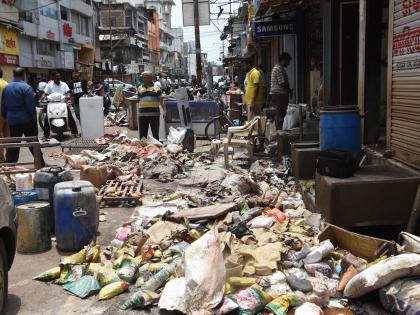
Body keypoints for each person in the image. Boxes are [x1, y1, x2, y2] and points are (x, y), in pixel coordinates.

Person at [1, 68, 45, 165]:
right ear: (23, 75)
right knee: (33, 143)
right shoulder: (26, 88)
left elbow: (3, 107)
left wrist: (7, 117)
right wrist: (33, 118)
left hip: (12, 120)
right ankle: (40, 163)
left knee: (14, 144)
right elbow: (31, 107)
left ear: (13, 75)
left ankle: (10, 165)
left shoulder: (7, 88)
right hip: (27, 119)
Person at [44, 71, 79, 138]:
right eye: (57, 76)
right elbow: (46, 94)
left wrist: (68, 96)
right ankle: (46, 134)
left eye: (59, 76)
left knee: (70, 116)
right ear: (53, 77)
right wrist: (45, 97)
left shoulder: (64, 84)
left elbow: (68, 92)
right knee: (47, 118)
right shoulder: (49, 85)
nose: (58, 78)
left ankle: (75, 132)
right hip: (52, 104)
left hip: (62, 103)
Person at [137, 71, 167, 140]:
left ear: (150, 78)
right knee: (142, 135)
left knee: (155, 134)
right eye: (143, 78)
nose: (143, 79)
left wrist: (165, 111)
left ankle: (156, 149)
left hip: (154, 115)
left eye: (145, 77)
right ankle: (143, 149)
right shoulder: (139, 88)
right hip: (142, 115)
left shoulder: (157, 88)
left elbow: (161, 101)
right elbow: (138, 100)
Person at [270, 52, 292, 130]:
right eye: (288, 61)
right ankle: (279, 131)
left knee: (280, 113)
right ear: (283, 60)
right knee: (280, 114)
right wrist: (289, 90)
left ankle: (279, 131)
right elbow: (282, 83)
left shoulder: (279, 68)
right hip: (279, 95)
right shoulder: (278, 68)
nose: (288, 63)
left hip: (279, 95)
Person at [0, 68, 9, 162]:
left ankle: (1, 160)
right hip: (7, 114)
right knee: (7, 137)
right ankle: (10, 158)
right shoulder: (6, 84)